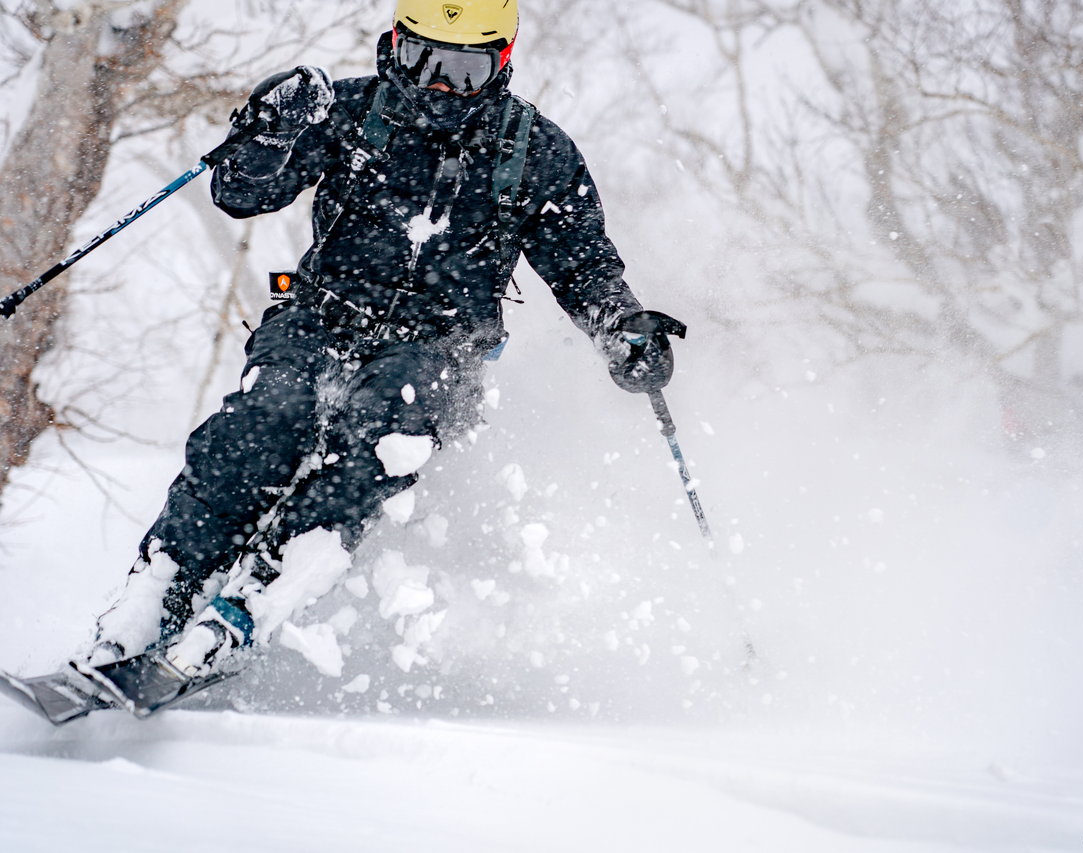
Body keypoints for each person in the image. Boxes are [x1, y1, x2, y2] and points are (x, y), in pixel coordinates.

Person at [81, 0, 679, 684]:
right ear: (395, 44)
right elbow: (242, 194)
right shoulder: (347, 111)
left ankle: (248, 606)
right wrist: (266, 134)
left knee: (376, 430)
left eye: (462, 68)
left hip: (438, 347)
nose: (439, 86)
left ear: (502, 62)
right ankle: (153, 596)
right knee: (260, 422)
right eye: (423, 60)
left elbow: (582, 265)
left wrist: (623, 329)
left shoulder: (534, 152)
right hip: (320, 316)